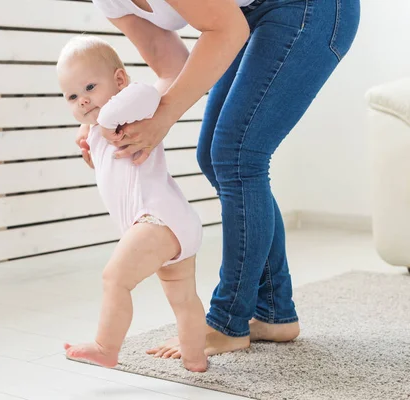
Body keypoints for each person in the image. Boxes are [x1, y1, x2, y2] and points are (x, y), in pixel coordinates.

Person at [75, 0, 361, 358]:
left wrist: (161, 118)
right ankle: (274, 312)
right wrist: (111, 128)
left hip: (310, 7)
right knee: (215, 155)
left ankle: (229, 321)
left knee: (237, 155)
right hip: (251, 12)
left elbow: (226, 30)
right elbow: (172, 68)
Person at [57, 35, 208, 372]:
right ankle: (195, 358)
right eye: (72, 96)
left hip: (157, 217)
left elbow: (149, 92)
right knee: (182, 299)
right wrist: (90, 147)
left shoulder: (128, 109)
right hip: (167, 222)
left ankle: (105, 347)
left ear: (119, 80)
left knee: (115, 279)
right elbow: (112, 168)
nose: (82, 101)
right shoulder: (98, 131)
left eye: (90, 87)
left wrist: (103, 118)